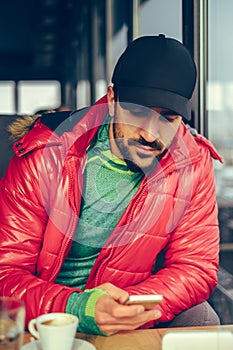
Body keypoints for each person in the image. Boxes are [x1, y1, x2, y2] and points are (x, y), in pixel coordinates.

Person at [0, 34, 221, 335]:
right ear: (113, 100)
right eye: (139, 112)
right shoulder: (45, 153)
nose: (150, 134)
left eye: (168, 118)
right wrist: (80, 308)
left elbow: (195, 266)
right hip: (49, 316)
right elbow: (6, 272)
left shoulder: (193, 162)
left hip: (127, 306)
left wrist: (128, 306)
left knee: (202, 318)